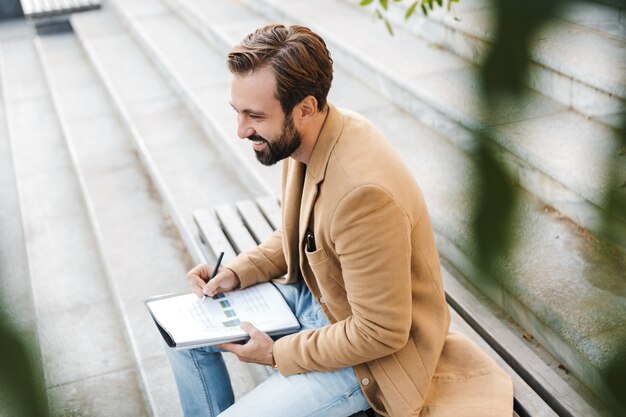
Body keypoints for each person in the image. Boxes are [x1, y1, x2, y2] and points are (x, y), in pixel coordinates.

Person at [165, 24, 513, 417]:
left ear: (306, 108)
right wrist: (235, 273)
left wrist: (276, 353)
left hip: (366, 361)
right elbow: (302, 232)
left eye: (255, 116)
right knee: (182, 335)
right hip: (316, 300)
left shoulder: (363, 194)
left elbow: (379, 333)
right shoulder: (308, 137)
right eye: (238, 112)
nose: (242, 130)